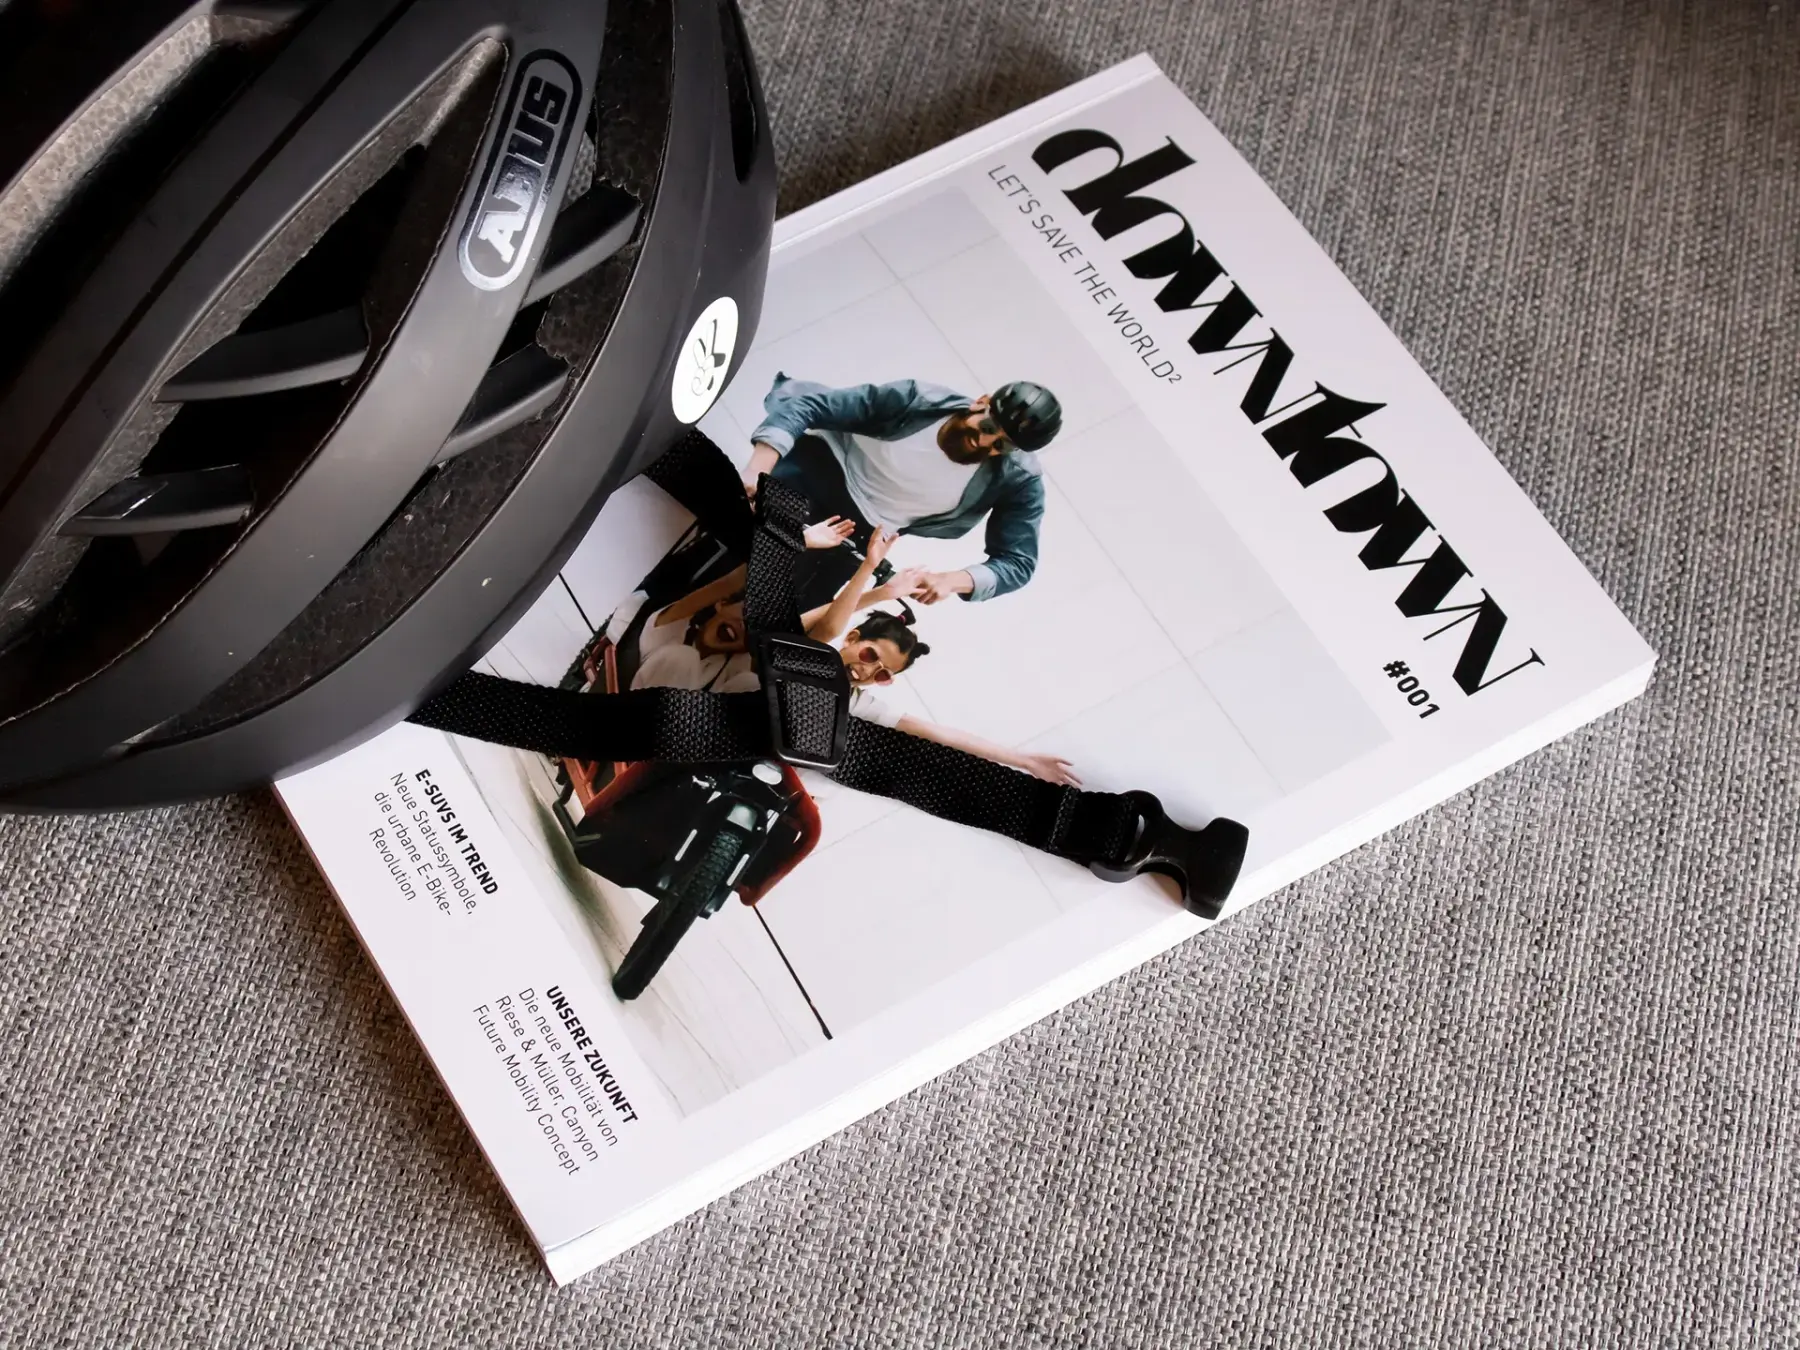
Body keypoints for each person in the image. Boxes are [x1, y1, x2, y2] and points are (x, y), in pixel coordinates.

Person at [615, 521, 1081, 785]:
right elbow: (822, 626)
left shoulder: (848, 699)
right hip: (661, 719)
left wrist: (1022, 760)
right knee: (720, 664)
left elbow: (935, 732)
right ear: (855, 640)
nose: (868, 671)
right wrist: (874, 579)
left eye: (883, 673)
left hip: (705, 749)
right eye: (872, 655)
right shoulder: (787, 648)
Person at [741, 371, 1064, 610]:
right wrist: (757, 470)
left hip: (864, 530)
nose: (983, 441)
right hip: (819, 470)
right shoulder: (918, 399)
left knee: (792, 610)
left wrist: (951, 580)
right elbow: (810, 405)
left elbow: (1018, 563)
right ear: (981, 402)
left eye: (1001, 445)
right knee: (746, 544)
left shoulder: (1019, 480)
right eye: (988, 427)